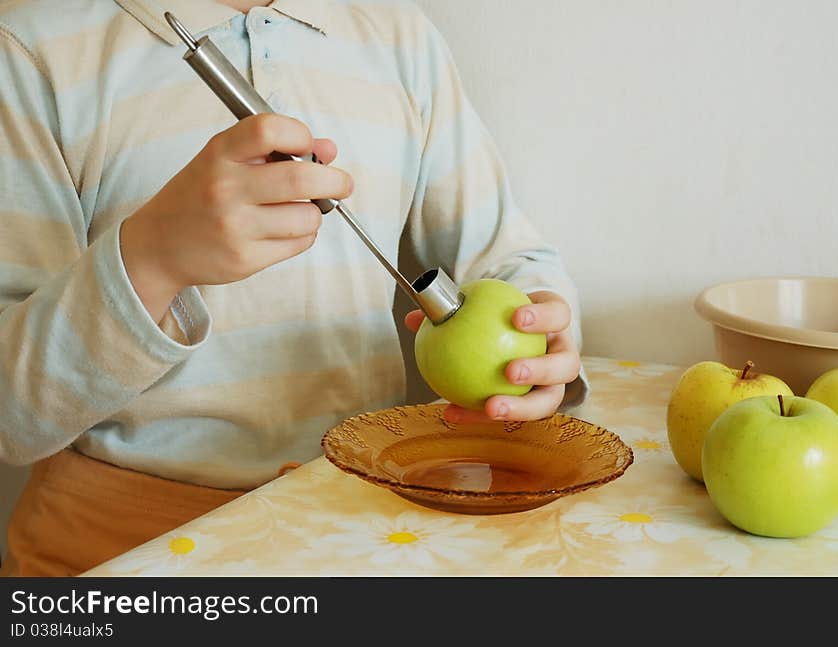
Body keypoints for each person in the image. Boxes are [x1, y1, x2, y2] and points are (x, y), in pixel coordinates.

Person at [0, 0, 586, 576]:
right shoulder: (29, 49)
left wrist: (539, 333)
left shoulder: (398, 36)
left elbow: (509, 260)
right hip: (113, 546)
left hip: (363, 524)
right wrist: (152, 257)